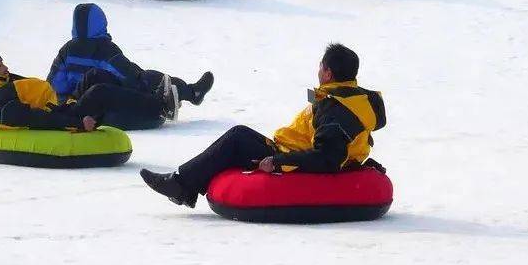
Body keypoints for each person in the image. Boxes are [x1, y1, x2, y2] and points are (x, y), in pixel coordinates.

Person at [140, 43, 386, 209]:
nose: (318, 71)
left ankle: (181, 185)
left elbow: (327, 158)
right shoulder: (354, 97)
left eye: (321, 67)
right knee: (241, 135)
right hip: (288, 149)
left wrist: (277, 161)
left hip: (292, 160)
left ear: (329, 73)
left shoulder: (335, 108)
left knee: (236, 139)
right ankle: (184, 185)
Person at [47, 4, 215, 116]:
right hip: (100, 102)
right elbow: (128, 75)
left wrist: (64, 102)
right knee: (145, 77)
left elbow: (54, 84)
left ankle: (186, 93)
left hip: (70, 101)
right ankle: (191, 92)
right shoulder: (104, 48)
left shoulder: (67, 50)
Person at [0, 48, 178, 131]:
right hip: (63, 117)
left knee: (95, 75)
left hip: (61, 107)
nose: (6, 67)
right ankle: (159, 106)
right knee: (100, 91)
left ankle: (147, 99)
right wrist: (77, 122)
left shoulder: (4, 83)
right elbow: (35, 119)